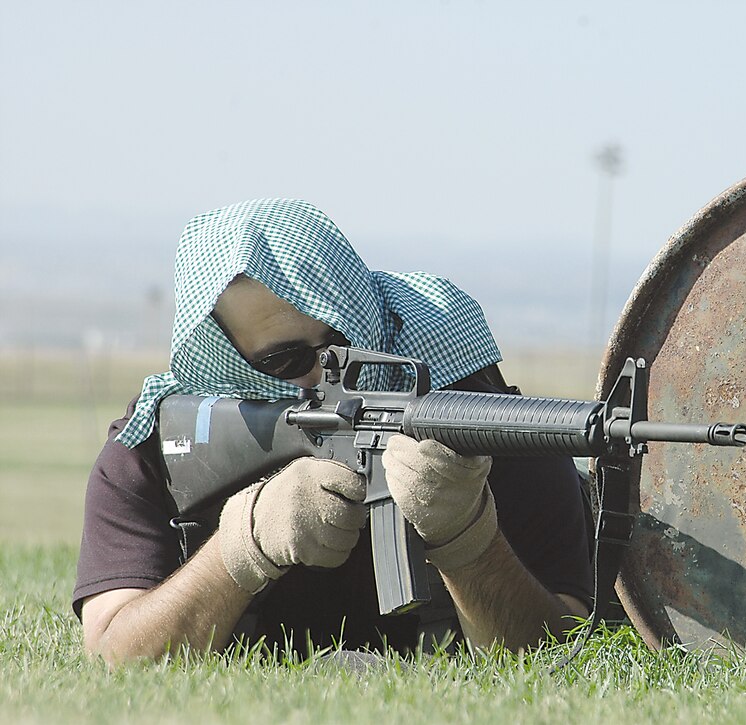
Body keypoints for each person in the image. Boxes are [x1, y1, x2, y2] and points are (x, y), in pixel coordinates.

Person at [73, 199, 592, 666]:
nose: (328, 375)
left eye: (342, 340)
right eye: (287, 359)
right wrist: (242, 546)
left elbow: (564, 653)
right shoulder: (157, 443)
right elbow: (113, 656)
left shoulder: (476, 411)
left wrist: (467, 538)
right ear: (224, 364)